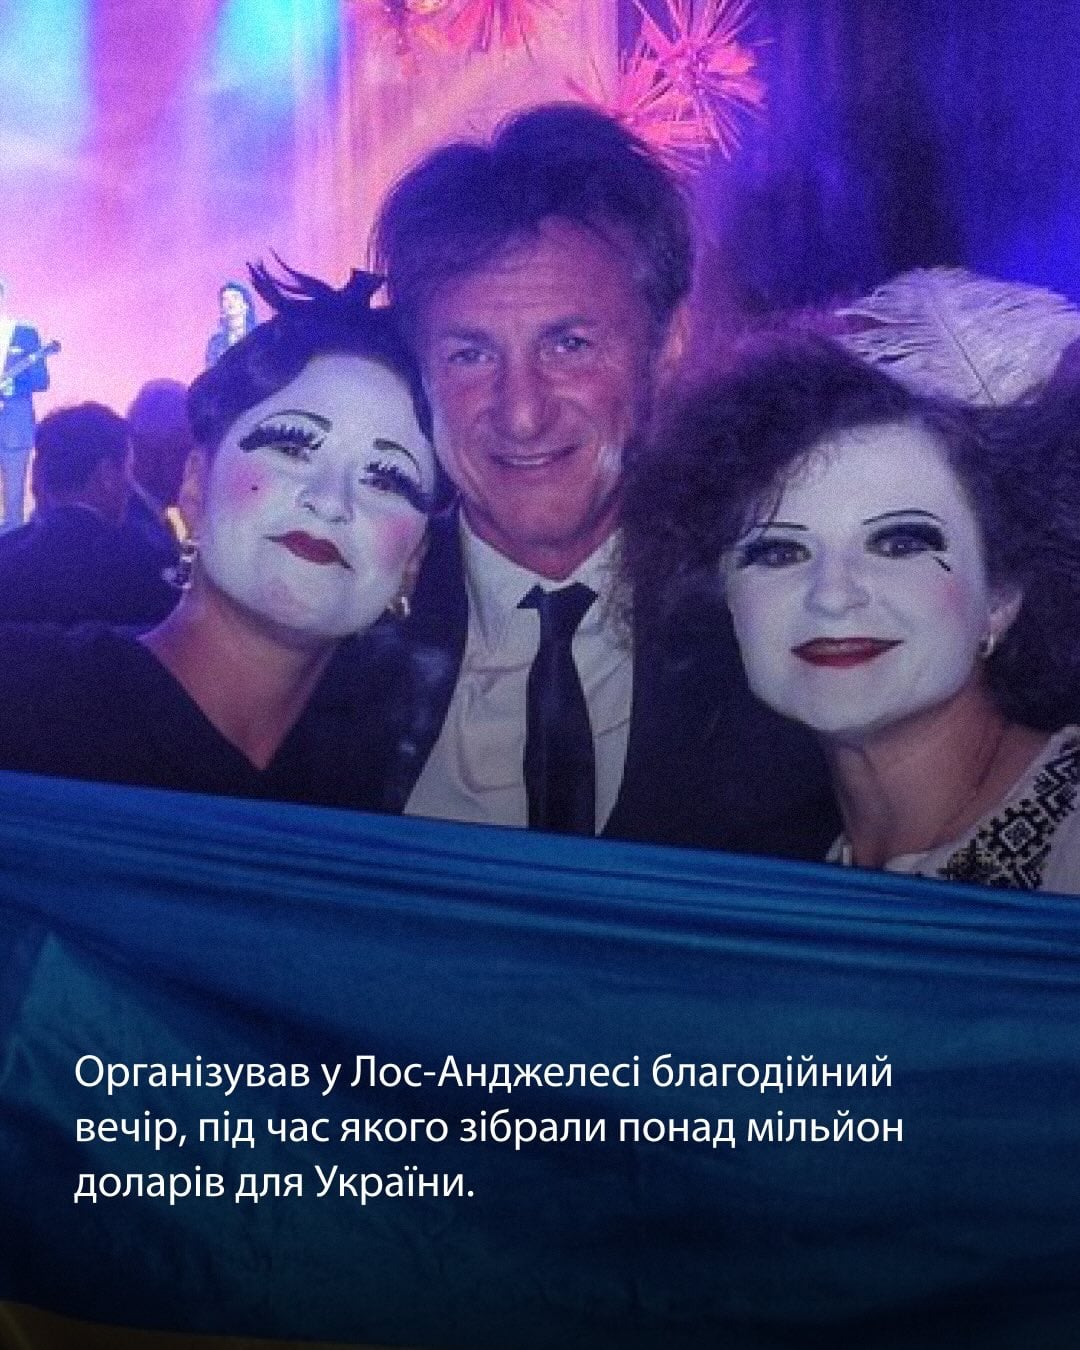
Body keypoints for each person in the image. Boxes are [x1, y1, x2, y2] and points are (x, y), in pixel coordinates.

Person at [369, 102, 836, 856]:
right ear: (421, 371)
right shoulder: (342, 632)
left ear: (667, 346)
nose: (521, 414)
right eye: (470, 355)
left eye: (569, 345)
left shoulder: (780, 617)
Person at [623, 331, 1080, 891]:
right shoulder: (770, 875)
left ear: (1000, 595)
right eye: (780, 553)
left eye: (898, 544)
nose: (832, 596)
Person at [0, 265, 437, 808]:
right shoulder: (21, 699)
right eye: (292, 445)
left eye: (386, 478)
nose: (330, 500)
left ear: (414, 558)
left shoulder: (409, 791)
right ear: (195, 485)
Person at [0, 402, 178, 625]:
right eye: (128, 470)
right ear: (106, 476)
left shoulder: (6, 556)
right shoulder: (151, 563)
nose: (130, 486)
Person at [0, 277, 51, 531]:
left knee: (13, 504)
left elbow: (42, 379)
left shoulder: (24, 333)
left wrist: (14, 387)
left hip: (14, 425)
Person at [205, 279, 257, 366]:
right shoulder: (216, 343)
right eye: (225, 299)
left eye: (235, 297)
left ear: (246, 305)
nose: (230, 302)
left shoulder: (258, 336)